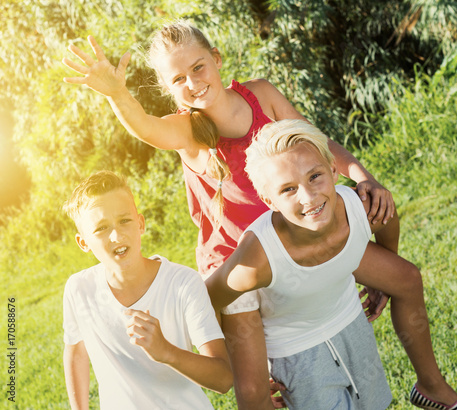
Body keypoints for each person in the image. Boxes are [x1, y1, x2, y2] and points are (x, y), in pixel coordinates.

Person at [62, 21, 394, 409]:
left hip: (291, 236)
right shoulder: (189, 130)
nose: (192, 82)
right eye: (179, 79)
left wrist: (362, 176)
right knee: (255, 392)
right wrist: (118, 93)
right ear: (169, 89)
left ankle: (416, 364)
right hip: (237, 267)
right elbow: (147, 128)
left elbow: (314, 141)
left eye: (198, 68)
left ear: (216, 59)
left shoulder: (262, 95)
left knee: (387, 270)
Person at [206, 120, 457, 410]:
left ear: (334, 170)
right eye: (288, 189)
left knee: (375, 402)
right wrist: (237, 368)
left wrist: (378, 280)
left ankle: (431, 389)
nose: (308, 197)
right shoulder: (256, 259)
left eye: (315, 176)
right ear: (267, 200)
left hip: (340, 313)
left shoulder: (363, 209)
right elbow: (205, 301)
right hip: (289, 337)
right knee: (253, 394)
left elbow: (389, 224)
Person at [62, 170, 232, 409]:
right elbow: (76, 352)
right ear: (83, 243)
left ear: (140, 224)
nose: (116, 235)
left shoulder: (183, 283)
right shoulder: (78, 289)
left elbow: (223, 379)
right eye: (101, 228)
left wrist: (166, 351)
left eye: (124, 220)